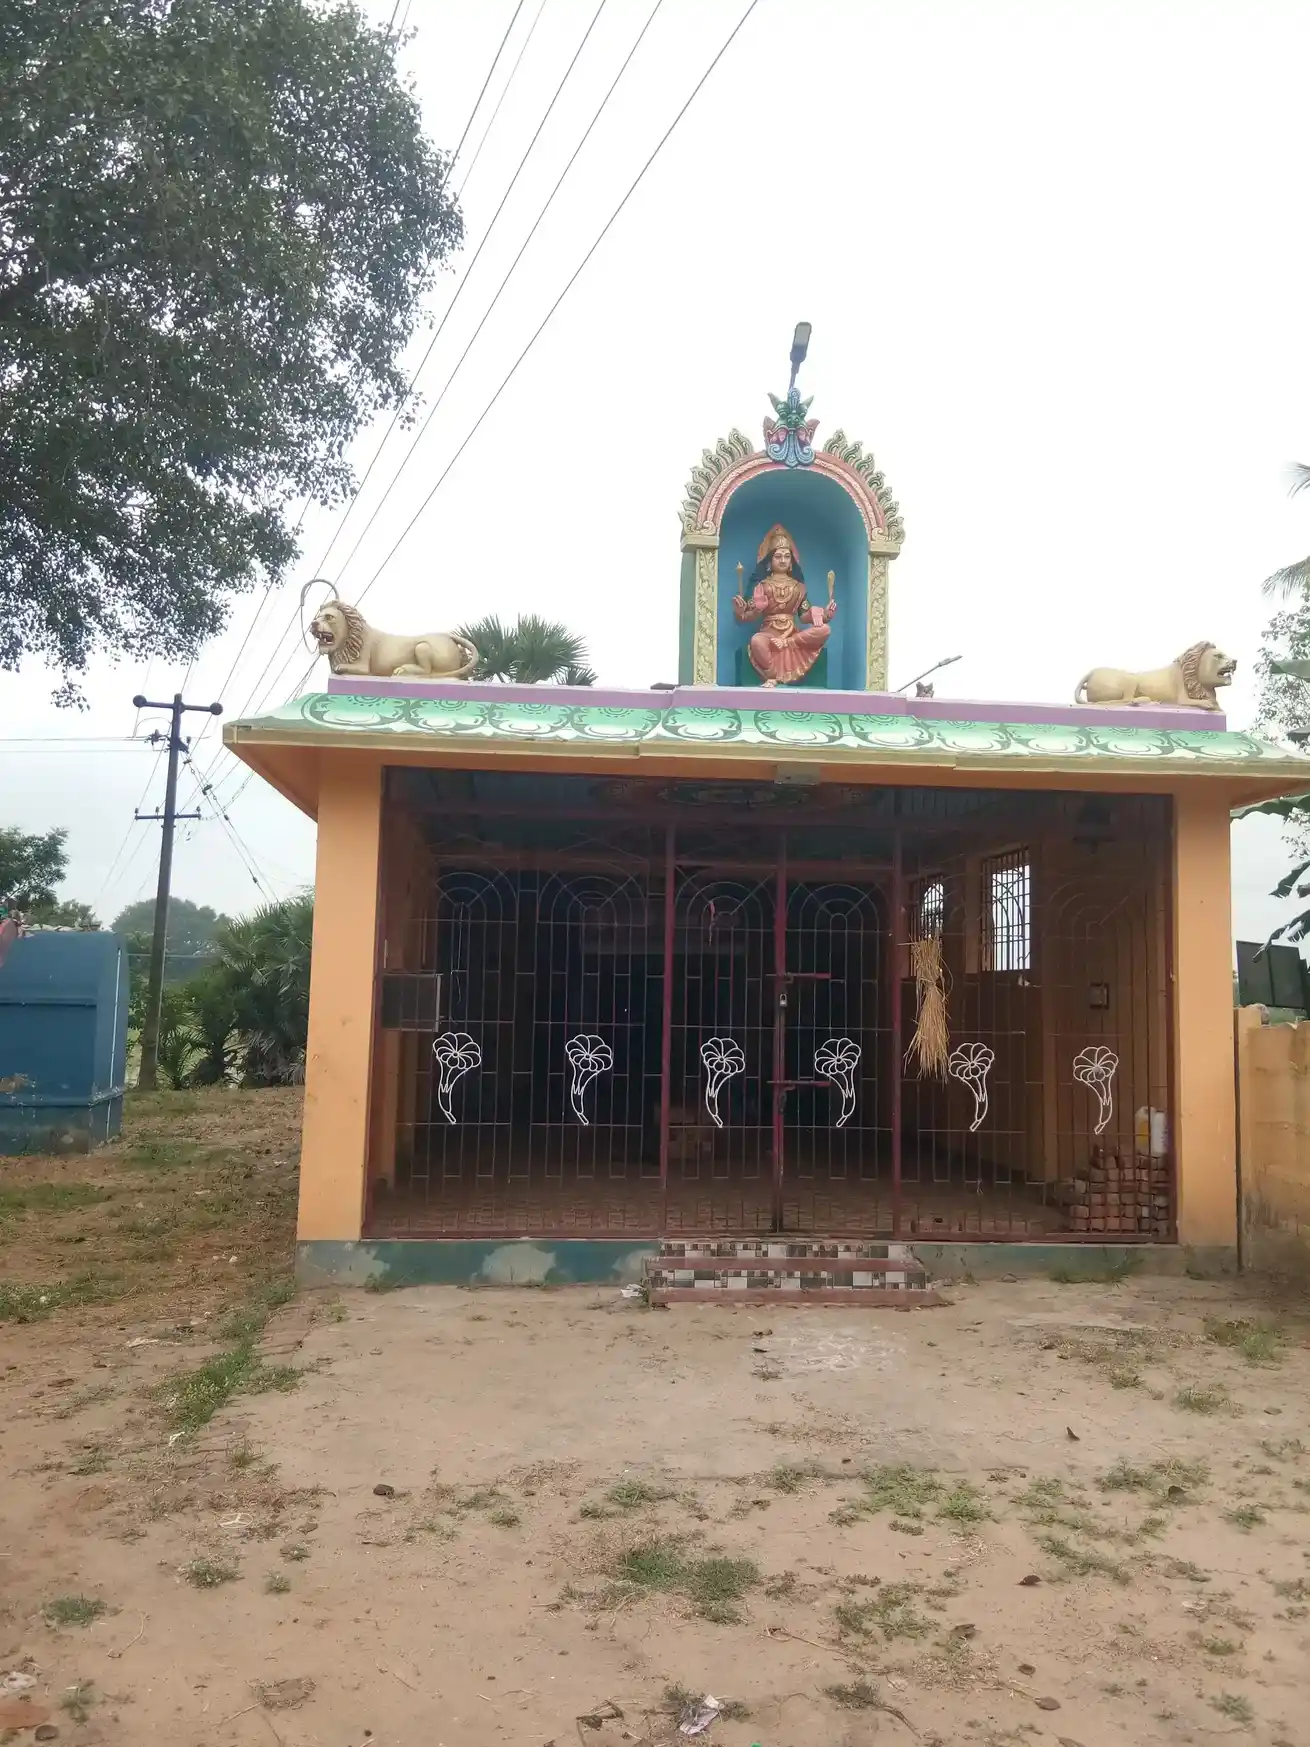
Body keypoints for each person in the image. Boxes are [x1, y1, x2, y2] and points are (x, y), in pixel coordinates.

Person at [731, 524, 834, 686]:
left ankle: (787, 644)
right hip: (769, 633)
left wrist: (822, 614)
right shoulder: (762, 585)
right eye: (778, 556)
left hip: (793, 635)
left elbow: (804, 614)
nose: (783, 560)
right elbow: (747, 616)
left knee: (825, 630)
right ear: (769, 561)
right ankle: (772, 675)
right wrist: (753, 609)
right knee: (757, 641)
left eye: (787, 556)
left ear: (792, 561)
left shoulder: (798, 587)